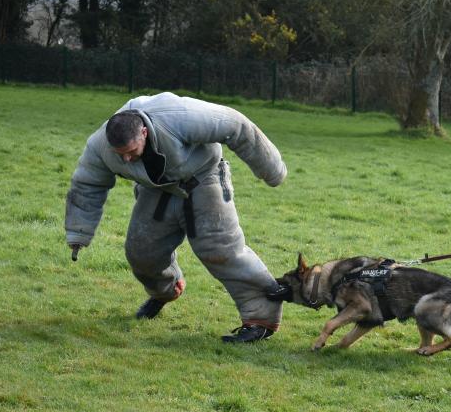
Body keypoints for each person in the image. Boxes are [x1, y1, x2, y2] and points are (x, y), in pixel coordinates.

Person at [65, 92, 287, 343]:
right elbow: (87, 184)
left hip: (203, 177)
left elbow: (236, 125)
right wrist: (78, 232)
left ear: (144, 133)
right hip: (159, 188)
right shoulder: (100, 145)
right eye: (120, 154)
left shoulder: (179, 117)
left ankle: (261, 321)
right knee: (141, 251)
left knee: (221, 251)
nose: (126, 159)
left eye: (131, 151)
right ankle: (166, 291)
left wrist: (273, 171)